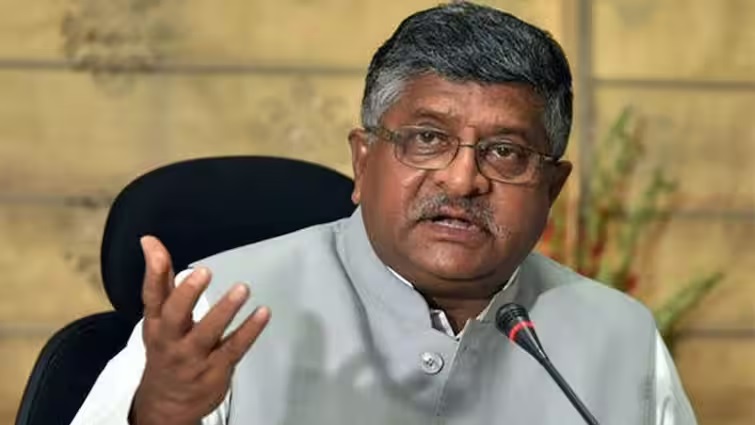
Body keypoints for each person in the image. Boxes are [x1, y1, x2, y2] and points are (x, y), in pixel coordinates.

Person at [71, 2, 697, 424]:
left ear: (552, 188)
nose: (462, 179)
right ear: (363, 160)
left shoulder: (622, 336)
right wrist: (160, 415)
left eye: (505, 151)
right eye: (427, 138)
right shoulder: (214, 312)